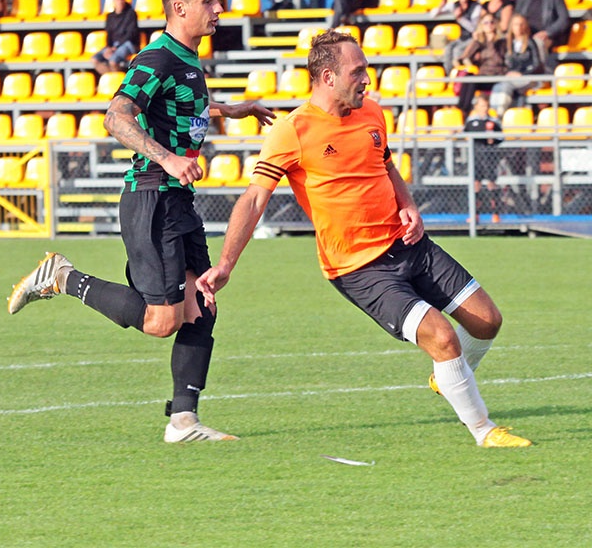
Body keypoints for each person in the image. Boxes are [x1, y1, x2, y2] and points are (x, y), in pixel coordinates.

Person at [196, 29, 532, 449]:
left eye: (367, 70)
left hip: (408, 244)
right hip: (359, 267)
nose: (367, 80)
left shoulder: (372, 112)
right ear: (327, 77)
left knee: (487, 321)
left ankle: (447, 377)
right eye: (358, 71)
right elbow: (252, 201)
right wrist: (226, 264)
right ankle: (485, 431)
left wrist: (409, 205)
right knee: (442, 338)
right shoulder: (292, 130)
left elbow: (386, 166)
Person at [6, 0, 277, 443]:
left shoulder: (187, 61)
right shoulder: (155, 57)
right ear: (180, 9)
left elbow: (181, 105)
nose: (219, 10)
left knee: (203, 307)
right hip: (152, 196)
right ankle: (63, 278)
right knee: (162, 321)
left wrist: (233, 110)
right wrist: (169, 158)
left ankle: (184, 423)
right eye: (209, 1)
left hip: (177, 202)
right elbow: (117, 115)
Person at [513, 0, 570, 70]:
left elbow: (564, 19)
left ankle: (540, 73)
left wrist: (547, 32)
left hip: (547, 37)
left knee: (537, 43)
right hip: (525, 34)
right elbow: (516, 18)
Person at [490, 13, 542, 116]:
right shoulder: (506, 44)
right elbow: (502, 63)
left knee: (505, 85)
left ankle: (499, 114)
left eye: (521, 24)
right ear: (511, 26)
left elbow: (536, 64)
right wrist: (508, 72)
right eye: (515, 24)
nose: (518, 27)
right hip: (510, 78)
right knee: (498, 86)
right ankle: (494, 112)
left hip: (529, 77)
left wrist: (522, 74)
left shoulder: (531, 43)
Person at [464, 94, 504, 223]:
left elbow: (501, 138)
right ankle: (475, 214)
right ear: (476, 107)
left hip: (490, 158)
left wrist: (493, 139)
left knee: (492, 185)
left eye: (486, 106)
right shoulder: (471, 122)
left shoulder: (493, 122)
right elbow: (465, 136)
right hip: (476, 158)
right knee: (476, 185)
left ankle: (495, 214)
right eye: (481, 106)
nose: (484, 108)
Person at [456, 12, 507, 111]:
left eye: (491, 22)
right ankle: (462, 109)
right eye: (486, 23)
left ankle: (464, 110)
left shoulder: (502, 42)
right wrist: (474, 42)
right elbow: (462, 58)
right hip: (483, 76)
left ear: (495, 24)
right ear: (481, 26)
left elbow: (500, 60)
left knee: (472, 80)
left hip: (497, 75)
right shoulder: (480, 42)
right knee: (468, 78)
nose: (489, 25)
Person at [440, 0, 483, 74]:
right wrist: (439, 7)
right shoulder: (454, 5)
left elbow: (473, 28)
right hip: (461, 37)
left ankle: (460, 75)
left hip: (473, 38)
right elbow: (433, 14)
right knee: (448, 49)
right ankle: (449, 74)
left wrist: (460, 18)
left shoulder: (476, 6)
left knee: (457, 50)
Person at [92, 0, 139, 74]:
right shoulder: (110, 17)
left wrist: (115, 48)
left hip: (127, 44)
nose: (120, 1)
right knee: (95, 59)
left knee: (113, 61)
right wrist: (109, 47)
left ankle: (119, 83)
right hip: (113, 46)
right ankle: (112, 78)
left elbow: (130, 34)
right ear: (114, 1)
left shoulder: (131, 14)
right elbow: (109, 34)